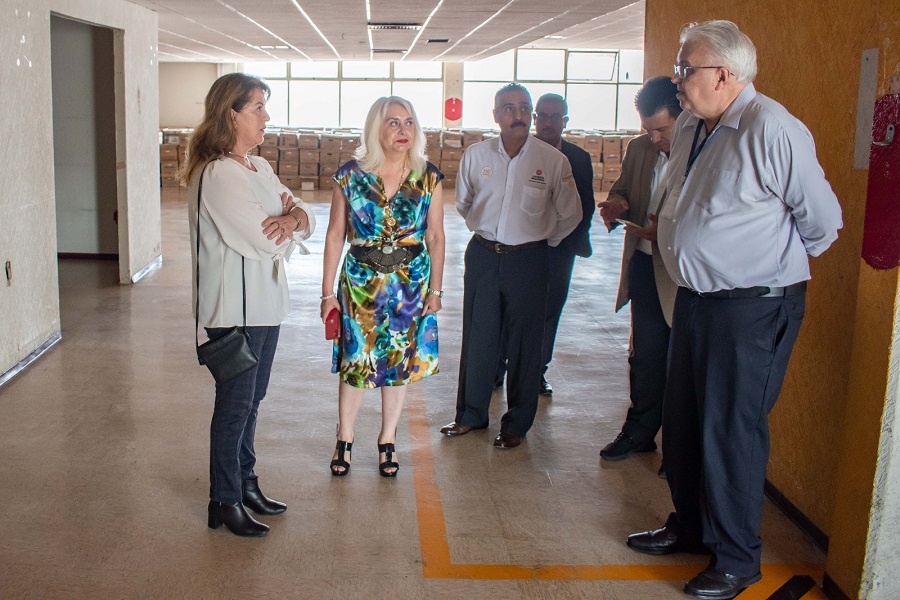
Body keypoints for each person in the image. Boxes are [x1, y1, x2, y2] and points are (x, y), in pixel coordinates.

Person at [625, 21, 842, 600]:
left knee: (730, 431)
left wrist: (762, 263)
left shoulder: (772, 128)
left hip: (750, 309)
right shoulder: (696, 123)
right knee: (688, 422)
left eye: (685, 67)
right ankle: (692, 528)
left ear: (723, 74)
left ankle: (738, 557)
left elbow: (822, 223)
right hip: (696, 302)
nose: (677, 78)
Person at [185, 73, 316, 537]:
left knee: (253, 401)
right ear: (231, 113)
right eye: (258, 107)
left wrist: (294, 217)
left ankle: (246, 482)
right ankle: (224, 500)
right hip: (235, 312)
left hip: (265, 305)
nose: (266, 116)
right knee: (235, 405)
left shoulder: (257, 168)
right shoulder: (219, 174)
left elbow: (305, 215)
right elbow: (263, 242)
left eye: (265, 106)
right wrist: (286, 223)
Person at [440, 83, 581, 449]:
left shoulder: (552, 160)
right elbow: (464, 202)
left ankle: (516, 424)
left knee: (525, 343)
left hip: (530, 260)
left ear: (531, 114)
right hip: (484, 255)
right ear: (496, 115)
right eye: (508, 108)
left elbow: (571, 214)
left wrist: (542, 242)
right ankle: (470, 415)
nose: (516, 115)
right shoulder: (477, 155)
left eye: (523, 108)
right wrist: (489, 231)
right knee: (479, 336)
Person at [321, 96, 445, 478]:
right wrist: (327, 294)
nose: (403, 130)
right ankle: (345, 436)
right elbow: (335, 235)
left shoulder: (428, 176)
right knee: (356, 361)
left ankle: (387, 439)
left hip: (410, 285)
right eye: (393, 122)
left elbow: (436, 237)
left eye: (409, 122)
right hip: (360, 283)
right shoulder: (350, 176)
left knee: (399, 363)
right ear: (376, 129)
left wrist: (436, 291)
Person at [596, 76, 681, 462]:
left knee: (682, 365)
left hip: (684, 278)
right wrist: (616, 204)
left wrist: (667, 232)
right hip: (645, 267)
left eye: (662, 129)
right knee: (644, 357)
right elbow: (624, 189)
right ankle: (640, 431)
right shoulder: (640, 149)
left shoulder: (702, 152)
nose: (656, 137)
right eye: (649, 130)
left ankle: (679, 452)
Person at [495, 93, 595, 396]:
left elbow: (586, 205)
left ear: (565, 121)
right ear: (535, 118)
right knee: (509, 310)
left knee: (549, 312)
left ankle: (536, 371)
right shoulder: (517, 152)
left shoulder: (579, 158)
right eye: (543, 116)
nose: (548, 122)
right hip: (519, 247)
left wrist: (563, 239)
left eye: (556, 117)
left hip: (560, 250)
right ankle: (498, 369)